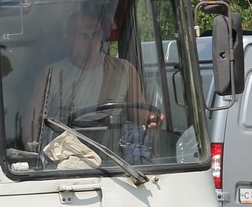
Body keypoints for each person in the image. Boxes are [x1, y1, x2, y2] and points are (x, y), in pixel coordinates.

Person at [30, 8, 158, 149]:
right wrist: (35, 154)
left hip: (114, 155)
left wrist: (151, 119)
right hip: (65, 155)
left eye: (95, 34)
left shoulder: (124, 70)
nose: (91, 41)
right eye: (83, 36)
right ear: (68, 38)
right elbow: (32, 125)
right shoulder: (49, 75)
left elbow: (139, 115)